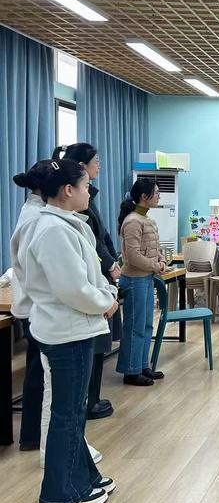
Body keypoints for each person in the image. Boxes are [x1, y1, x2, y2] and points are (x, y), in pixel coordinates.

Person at [22, 159, 116, 503]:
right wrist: (105, 302)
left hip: (72, 328)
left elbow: (87, 274)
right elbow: (72, 288)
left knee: (73, 411)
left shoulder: (64, 223)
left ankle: (84, 478)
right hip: (66, 331)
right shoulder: (52, 230)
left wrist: (104, 291)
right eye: (85, 185)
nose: (90, 191)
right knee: (67, 414)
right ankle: (60, 495)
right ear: (67, 190)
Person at [55, 143, 120, 419]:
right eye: (96, 160)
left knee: (98, 345)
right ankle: (88, 402)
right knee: (93, 346)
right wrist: (110, 266)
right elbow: (94, 243)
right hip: (88, 294)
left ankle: (90, 399)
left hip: (99, 282)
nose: (99, 165)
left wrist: (112, 263)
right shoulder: (57, 223)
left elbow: (101, 237)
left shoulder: (84, 203)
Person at [10, 162, 49, 451]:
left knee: (37, 369)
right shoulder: (37, 217)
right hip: (38, 305)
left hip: (35, 303)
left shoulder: (34, 211)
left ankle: (32, 434)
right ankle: (32, 435)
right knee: (38, 372)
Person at [116, 178, 166, 386]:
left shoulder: (148, 220)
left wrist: (161, 261)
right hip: (134, 280)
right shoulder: (132, 222)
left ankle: (142, 365)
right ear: (144, 196)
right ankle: (131, 370)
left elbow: (155, 248)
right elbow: (133, 256)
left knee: (146, 325)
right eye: (156, 193)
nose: (159, 196)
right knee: (134, 326)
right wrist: (155, 265)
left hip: (146, 278)